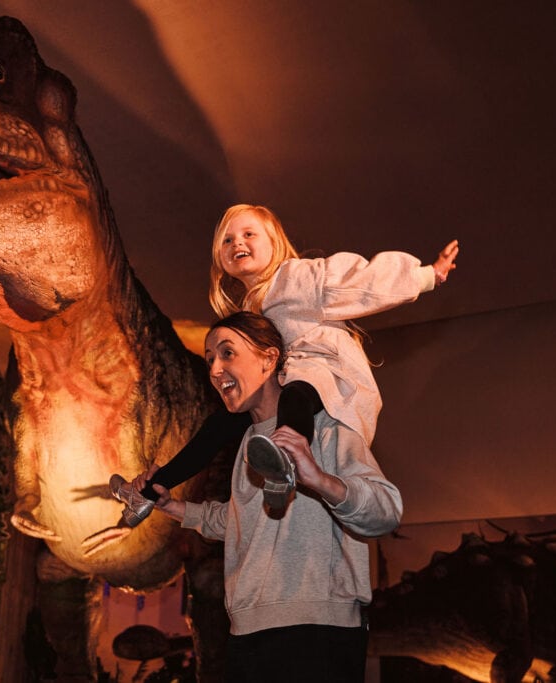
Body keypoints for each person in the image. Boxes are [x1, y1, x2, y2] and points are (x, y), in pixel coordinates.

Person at [111, 203, 457, 525]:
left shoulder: (299, 277)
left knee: (298, 388)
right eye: (227, 240)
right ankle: (147, 491)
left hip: (324, 373)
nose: (237, 243)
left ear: (274, 242)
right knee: (219, 425)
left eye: (249, 234)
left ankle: (289, 459)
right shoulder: (248, 311)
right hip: (282, 382)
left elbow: (358, 283)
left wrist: (426, 276)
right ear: (220, 257)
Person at [135, 311, 402, 681]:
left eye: (228, 353)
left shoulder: (328, 430)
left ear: (269, 357)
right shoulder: (248, 443)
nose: (214, 369)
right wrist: (175, 507)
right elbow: (242, 524)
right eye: (210, 358)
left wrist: (319, 479)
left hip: (318, 631)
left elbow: (387, 510)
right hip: (246, 632)